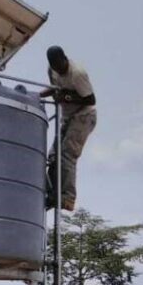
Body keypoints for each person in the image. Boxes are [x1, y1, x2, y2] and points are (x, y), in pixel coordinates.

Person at [40, 46, 97, 211]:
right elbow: (55, 89)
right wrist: (37, 96)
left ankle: (67, 198)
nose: (58, 69)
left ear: (65, 59)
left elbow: (90, 99)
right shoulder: (52, 71)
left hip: (83, 116)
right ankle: (51, 193)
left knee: (67, 155)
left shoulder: (77, 73)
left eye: (59, 65)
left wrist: (65, 96)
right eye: (54, 66)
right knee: (53, 156)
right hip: (67, 117)